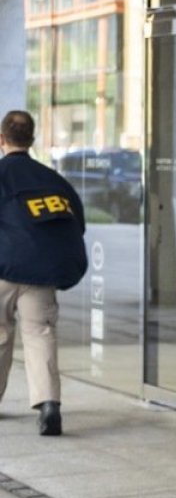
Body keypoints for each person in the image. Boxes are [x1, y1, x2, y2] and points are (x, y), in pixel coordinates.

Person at [0, 110, 87, 436]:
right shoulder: (53, 180)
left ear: (1, 139)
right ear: (32, 139)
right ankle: (49, 404)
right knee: (41, 334)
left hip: (3, 270)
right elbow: (77, 223)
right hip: (41, 274)